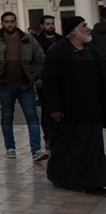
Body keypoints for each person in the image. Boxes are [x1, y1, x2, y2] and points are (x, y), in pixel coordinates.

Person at [42, 16, 106, 195]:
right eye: (84, 26)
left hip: (92, 107)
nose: (88, 28)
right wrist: (54, 107)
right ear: (73, 31)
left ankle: (95, 182)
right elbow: (50, 82)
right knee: (67, 146)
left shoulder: (90, 50)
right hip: (69, 108)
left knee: (93, 144)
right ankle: (60, 177)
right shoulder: (57, 51)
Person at [0, 12, 48, 162]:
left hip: (25, 85)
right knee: (7, 117)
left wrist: (34, 75)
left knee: (32, 116)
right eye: (7, 22)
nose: (10, 24)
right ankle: (10, 147)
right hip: (5, 86)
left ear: (16, 22)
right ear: (2, 23)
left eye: (12, 21)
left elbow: (40, 57)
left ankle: (36, 150)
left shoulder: (27, 39)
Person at [34, 15, 62, 149]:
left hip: (61, 80)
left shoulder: (61, 39)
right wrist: (37, 78)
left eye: (52, 23)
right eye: (47, 24)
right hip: (45, 81)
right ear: (42, 26)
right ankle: (48, 137)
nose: (50, 26)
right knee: (47, 109)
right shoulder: (37, 41)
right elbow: (33, 60)